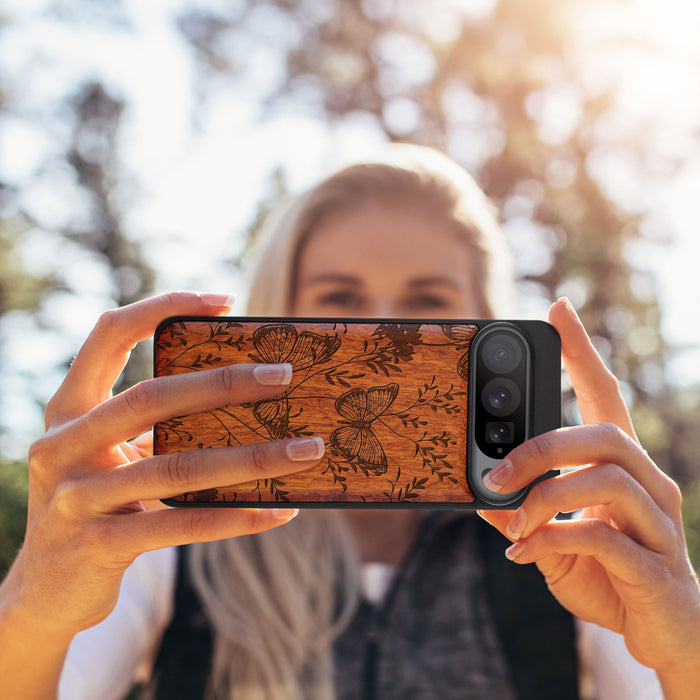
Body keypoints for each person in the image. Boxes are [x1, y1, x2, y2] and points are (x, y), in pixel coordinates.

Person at [0, 145, 698, 700]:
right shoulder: (171, 535)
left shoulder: (567, 544)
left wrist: (685, 648)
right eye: (340, 300)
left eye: (427, 302)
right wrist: (34, 607)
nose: (382, 331)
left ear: (486, 324)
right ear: (279, 315)